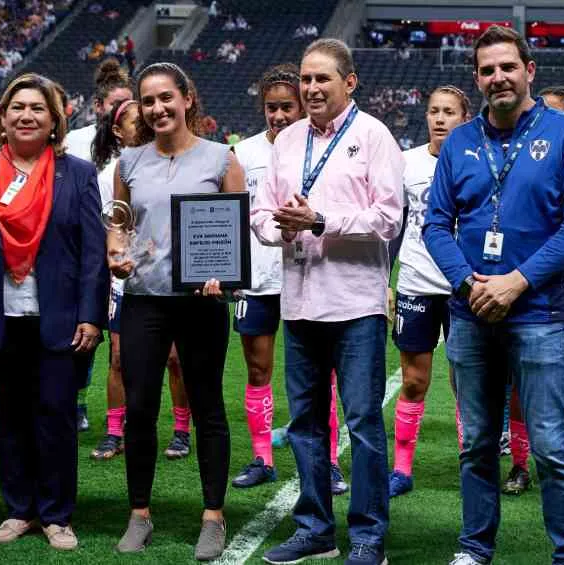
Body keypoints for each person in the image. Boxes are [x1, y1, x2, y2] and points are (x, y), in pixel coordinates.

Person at [422, 26, 564, 565]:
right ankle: (475, 548)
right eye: (487, 69)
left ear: (528, 71)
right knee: (476, 443)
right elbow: (434, 224)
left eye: (507, 67)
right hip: (470, 313)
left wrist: (517, 280)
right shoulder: (459, 142)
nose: (498, 77)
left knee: (550, 445)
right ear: (477, 78)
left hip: (537, 314)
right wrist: (468, 282)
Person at [0, 72, 107, 549]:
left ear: (54, 120)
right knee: (9, 417)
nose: (26, 115)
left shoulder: (76, 173)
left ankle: (56, 515)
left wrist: (92, 315)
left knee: (55, 415)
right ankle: (18, 510)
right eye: (17, 108)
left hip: (59, 319)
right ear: (3, 118)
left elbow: (93, 253)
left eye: (37, 108)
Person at [255, 39, 403, 565]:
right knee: (306, 425)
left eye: (322, 79)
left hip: (356, 304)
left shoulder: (374, 136)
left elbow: (389, 219)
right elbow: (260, 212)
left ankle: (367, 535)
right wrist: (278, 225)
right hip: (298, 303)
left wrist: (321, 220)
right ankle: (315, 527)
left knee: (362, 424)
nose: (312, 88)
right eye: (306, 79)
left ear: (349, 82)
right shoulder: (288, 140)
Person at [109, 62, 244, 561]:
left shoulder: (220, 158)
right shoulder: (129, 162)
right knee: (140, 409)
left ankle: (213, 515)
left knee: (208, 407)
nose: (158, 108)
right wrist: (116, 253)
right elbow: (119, 223)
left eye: (167, 97)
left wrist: (224, 274)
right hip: (144, 299)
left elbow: (235, 230)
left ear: (187, 98)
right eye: (148, 101)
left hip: (200, 304)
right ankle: (139, 514)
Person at [229, 63, 348, 495]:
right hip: (257, 277)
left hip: (308, 275)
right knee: (258, 369)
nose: (278, 115)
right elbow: (233, 218)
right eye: (271, 107)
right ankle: (262, 458)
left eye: (286, 107)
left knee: (321, 374)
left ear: (302, 107)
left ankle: (329, 461)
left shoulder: (320, 149)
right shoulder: (243, 155)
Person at [89, 97, 194, 461]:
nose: (145, 127)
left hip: (171, 275)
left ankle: (181, 430)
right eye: (137, 123)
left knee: (176, 358)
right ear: (119, 131)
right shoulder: (109, 176)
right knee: (119, 357)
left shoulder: (173, 164)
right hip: (126, 278)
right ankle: (114, 429)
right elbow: (107, 229)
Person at [389, 85, 471, 498]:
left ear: (464, 118)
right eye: (435, 111)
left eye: (449, 112)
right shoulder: (405, 164)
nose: (440, 119)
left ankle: (469, 462)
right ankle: (402, 469)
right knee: (414, 380)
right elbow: (391, 227)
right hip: (417, 282)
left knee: (466, 382)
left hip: (465, 287)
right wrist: (386, 282)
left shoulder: (476, 162)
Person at [64, 57, 133, 431]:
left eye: (128, 104)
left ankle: (119, 419)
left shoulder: (141, 145)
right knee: (84, 331)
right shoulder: (76, 141)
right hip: (84, 252)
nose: (120, 110)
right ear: (99, 106)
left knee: (121, 344)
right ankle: (77, 401)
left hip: (123, 253)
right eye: (113, 104)